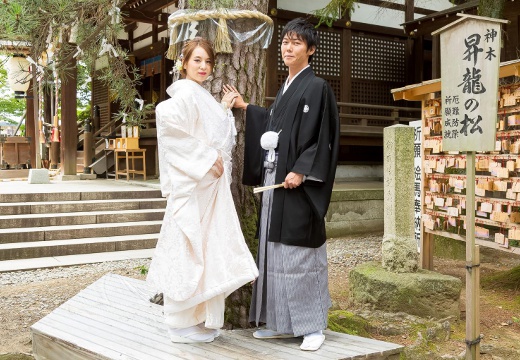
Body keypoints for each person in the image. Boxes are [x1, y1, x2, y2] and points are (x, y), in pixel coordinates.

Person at [223, 18, 339, 351]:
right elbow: (274, 124)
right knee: (274, 254)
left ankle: (313, 326)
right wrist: (248, 108)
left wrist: (303, 169)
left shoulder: (317, 88)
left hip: (299, 186)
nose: (288, 48)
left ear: (311, 50)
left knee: (300, 255)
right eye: (285, 42)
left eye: (296, 43)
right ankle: (280, 322)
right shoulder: (287, 88)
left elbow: (324, 137)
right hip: (276, 181)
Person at [147, 37, 258, 344]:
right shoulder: (182, 95)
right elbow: (172, 131)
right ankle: (179, 321)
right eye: (197, 60)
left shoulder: (200, 95)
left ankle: (196, 318)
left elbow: (215, 133)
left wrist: (223, 108)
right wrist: (208, 159)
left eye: (208, 62)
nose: (203, 67)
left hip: (207, 187)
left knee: (207, 250)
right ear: (183, 63)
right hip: (193, 185)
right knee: (188, 247)